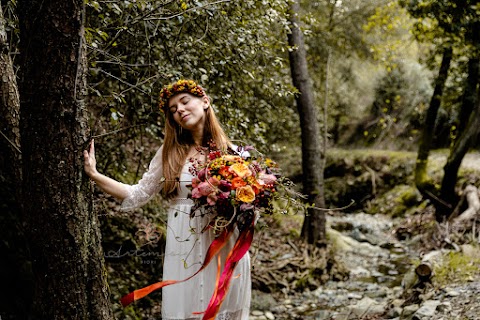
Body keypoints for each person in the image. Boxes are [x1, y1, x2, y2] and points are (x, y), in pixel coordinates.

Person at [83, 79, 251, 320]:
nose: (179, 111)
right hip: (185, 246)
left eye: (184, 102)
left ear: (205, 102)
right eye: (172, 110)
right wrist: (94, 175)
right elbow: (137, 194)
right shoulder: (169, 153)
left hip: (223, 246)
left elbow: (248, 208)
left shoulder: (233, 154)